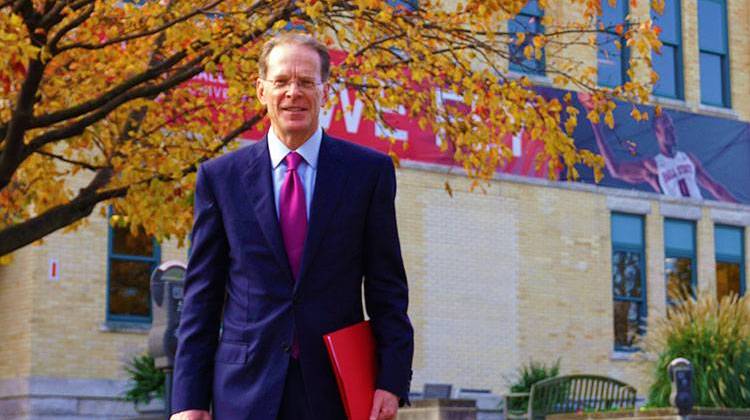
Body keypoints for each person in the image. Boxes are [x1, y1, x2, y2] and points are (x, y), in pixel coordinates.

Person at [170, 33, 414, 420]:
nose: (292, 93)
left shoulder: (368, 174)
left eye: (305, 82)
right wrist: (188, 400)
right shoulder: (221, 178)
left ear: (325, 91)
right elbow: (202, 298)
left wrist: (392, 379)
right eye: (282, 82)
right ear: (261, 90)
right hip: (244, 390)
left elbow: (387, 287)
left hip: (337, 389)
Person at [578, 93, 737, 203]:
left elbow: (717, 189)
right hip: (675, 220)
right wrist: (595, 124)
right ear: (657, 132)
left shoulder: (688, 159)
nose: (671, 132)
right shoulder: (652, 165)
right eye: (666, 129)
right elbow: (615, 170)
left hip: (699, 217)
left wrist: (742, 210)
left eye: (672, 128)